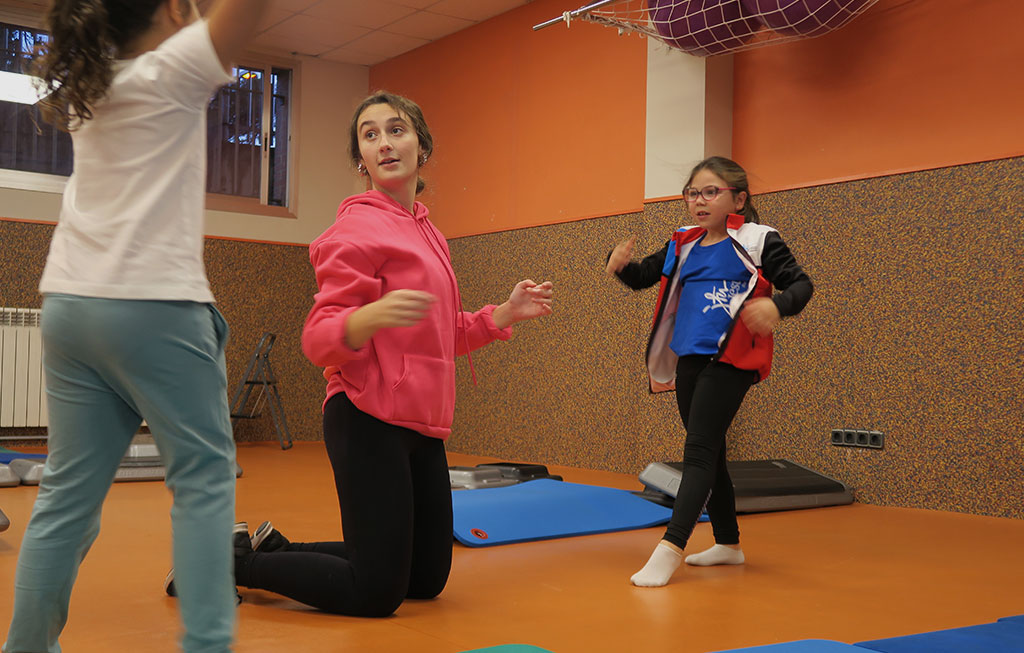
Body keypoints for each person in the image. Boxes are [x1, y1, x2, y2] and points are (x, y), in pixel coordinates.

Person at [3, 1, 268, 651]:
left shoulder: (93, 87)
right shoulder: (167, 69)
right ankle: (208, 643)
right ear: (175, 10)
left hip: (70, 305)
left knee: (65, 498)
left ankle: (25, 646)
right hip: (152, 307)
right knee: (204, 482)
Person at [231, 91, 555, 616]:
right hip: (366, 417)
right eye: (370, 134)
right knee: (377, 592)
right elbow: (318, 338)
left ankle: (277, 551)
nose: (385, 143)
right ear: (360, 158)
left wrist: (503, 316)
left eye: (397, 130)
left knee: (424, 578)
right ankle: (235, 563)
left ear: (421, 146)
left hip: (422, 424)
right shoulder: (355, 229)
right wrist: (366, 319)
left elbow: (440, 333)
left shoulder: (428, 233)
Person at [606, 156, 813, 587]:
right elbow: (645, 275)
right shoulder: (683, 241)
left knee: (698, 451)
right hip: (689, 358)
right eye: (692, 193)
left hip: (732, 359)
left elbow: (800, 284)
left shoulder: (758, 240)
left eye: (710, 192)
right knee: (711, 451)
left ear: (737, 197)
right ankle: (728, 544)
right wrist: (620, 265)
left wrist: (776, 305)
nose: (698, 201)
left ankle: (670, 549)